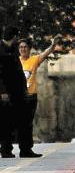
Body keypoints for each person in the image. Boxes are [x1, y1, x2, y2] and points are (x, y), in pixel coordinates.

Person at [18, 37, 60, 157]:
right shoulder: (15, 61)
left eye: (25, 47)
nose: (23, 49)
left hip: (30, 96)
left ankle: (26, 149)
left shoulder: (34, 60)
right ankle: (12, 149)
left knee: (27, 123)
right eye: (21, 47)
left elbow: (46, 53)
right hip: (18, 97)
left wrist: (53, 46)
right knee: (18, 123)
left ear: (30, 49)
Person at [0, 25, 28, 158]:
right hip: (7, 94)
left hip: (18, 92)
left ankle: (25, 149)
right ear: (15, 37)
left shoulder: (13, 49)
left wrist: (24, 88)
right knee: (6, 122)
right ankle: (6, 150)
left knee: (23, 120)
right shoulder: (1, 50)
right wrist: (3, 91)